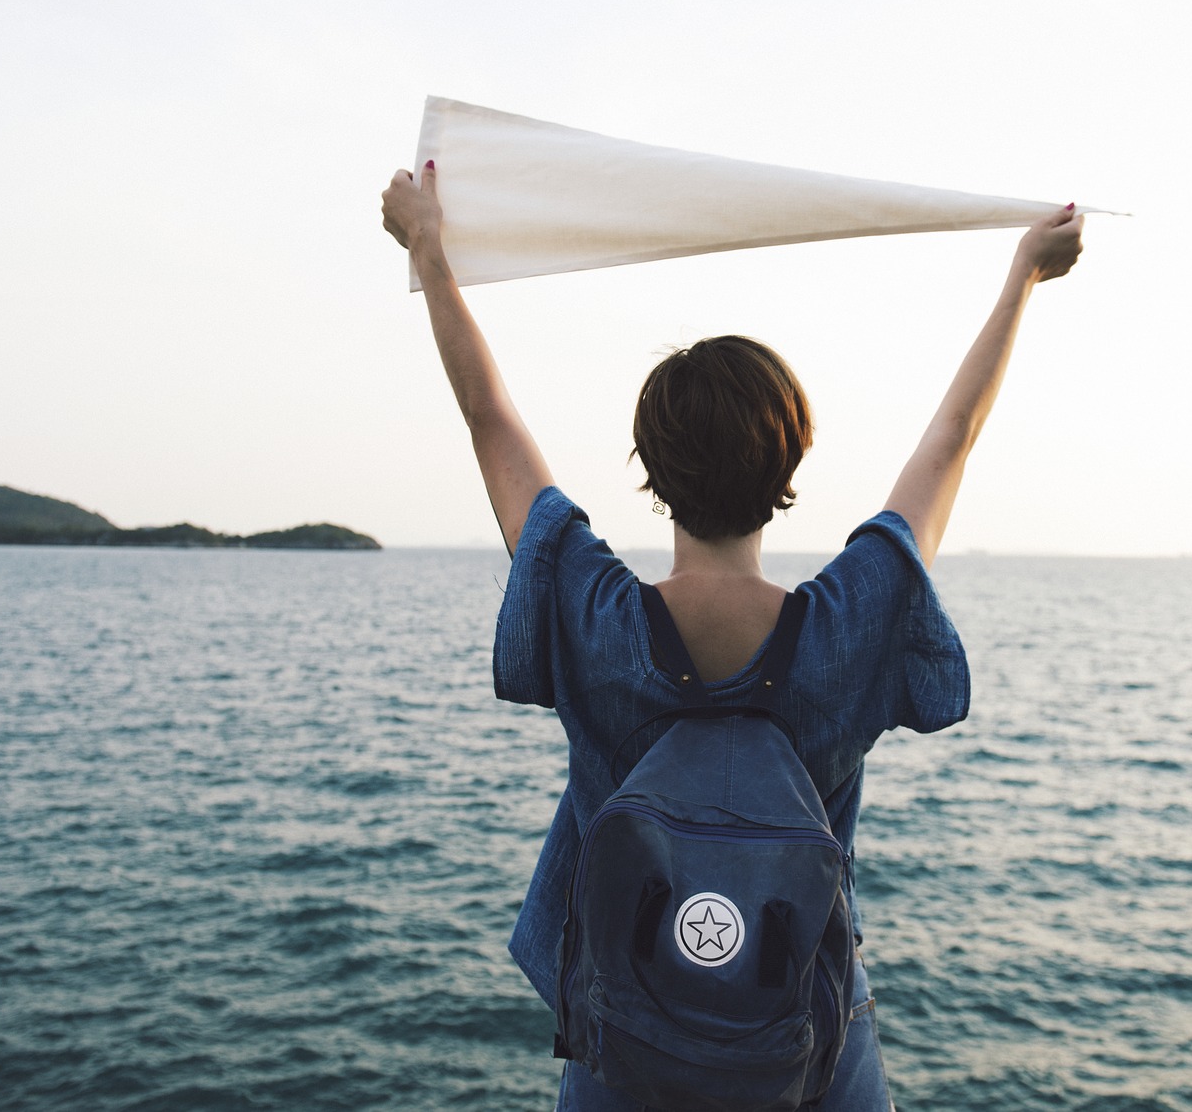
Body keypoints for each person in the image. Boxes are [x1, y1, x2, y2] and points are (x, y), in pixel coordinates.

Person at [381, 160, 1084, 1110]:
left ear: (652, 469)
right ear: (791, 456)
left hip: (620, 1027)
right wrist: (1024, 278)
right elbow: (951, 436)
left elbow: (489, 420)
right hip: (809, 1023)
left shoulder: (596, 619)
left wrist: (431, 248)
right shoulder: (848, 626)